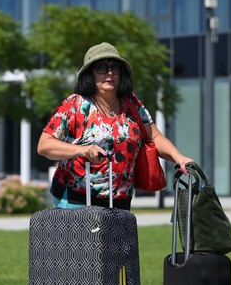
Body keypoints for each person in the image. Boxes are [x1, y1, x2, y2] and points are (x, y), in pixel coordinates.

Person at [37, 42, 193, 210]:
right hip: (77, 199)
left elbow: (155, 137)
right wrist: (82, 150)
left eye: (115, 68)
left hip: (120, 201)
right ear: (90, 74)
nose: (110, 73)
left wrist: (179, 158)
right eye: (102, 67)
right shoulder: (75, 105)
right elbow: (44, 145)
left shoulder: (132, 103)